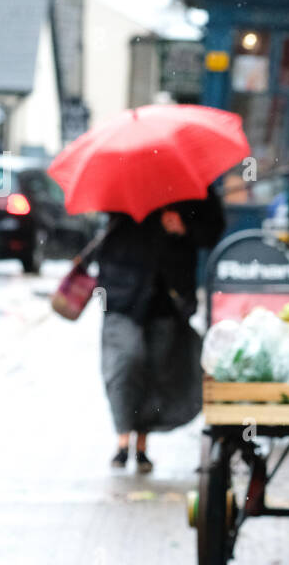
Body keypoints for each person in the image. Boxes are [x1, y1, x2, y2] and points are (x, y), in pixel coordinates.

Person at [94, 187, 225, 472]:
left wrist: (184, 227)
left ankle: (142, 444)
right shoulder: (122, 173)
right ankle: (122, 437)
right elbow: (103, 210)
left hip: (170, 295)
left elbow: (213, 230)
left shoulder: (193, 187)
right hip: (122, 289)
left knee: (158, 368)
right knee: (125, 362)